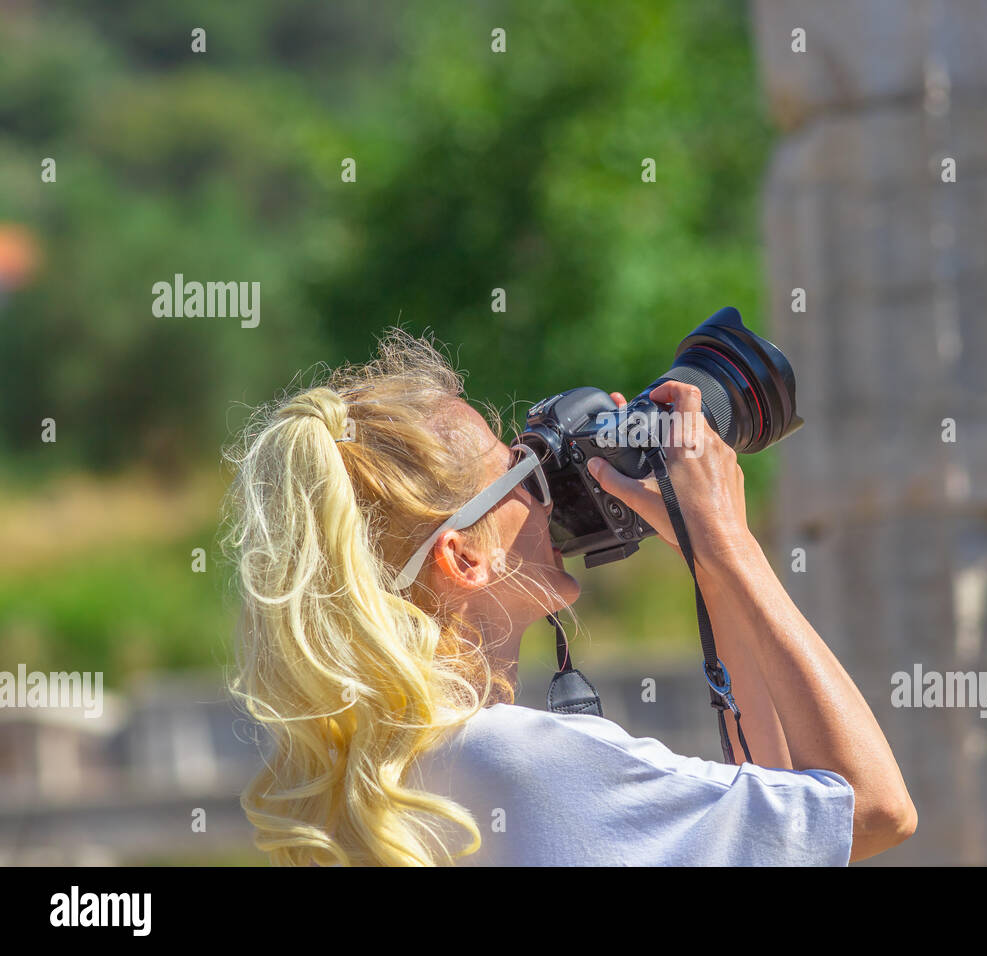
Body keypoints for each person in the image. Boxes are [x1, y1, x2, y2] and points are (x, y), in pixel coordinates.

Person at [221, 327, 916, 866]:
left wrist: (709, 563)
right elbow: (873, 810)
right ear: (463, 556)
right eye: (520, 471)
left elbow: (779, 820)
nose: (547, 490)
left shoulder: (378, 778)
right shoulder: (521, 763)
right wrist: (731, 540)